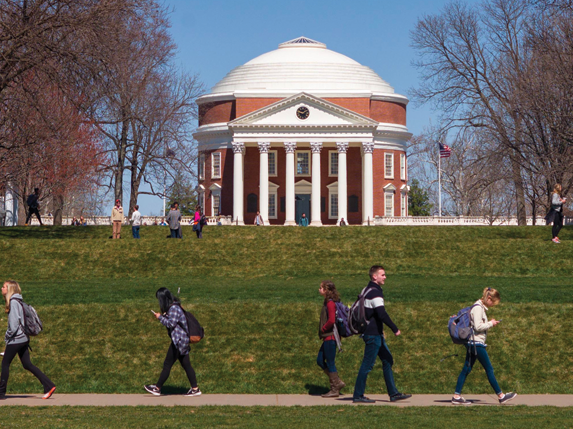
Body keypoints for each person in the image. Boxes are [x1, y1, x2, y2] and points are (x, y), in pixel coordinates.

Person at [353, 265, 411, 403]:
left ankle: (394, 394)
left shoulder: (366, 289)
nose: (385, 277)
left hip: (375, 333)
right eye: (382, 275)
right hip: (372, 335)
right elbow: (381, 313)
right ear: (375, 276)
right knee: (367, 365)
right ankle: (358, 395)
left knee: (387, 360)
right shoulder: (375, 293)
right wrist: (395, 328)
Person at [452, 288, 517, 405]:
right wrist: (490, 324)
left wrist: (490, 322)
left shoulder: (478, 307)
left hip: (472, 343)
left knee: (466, 369)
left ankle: (456, 396)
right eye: (493, 302)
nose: (493, 305)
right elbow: (477, 327)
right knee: (489, 369)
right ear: (489, 298)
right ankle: (501, 396)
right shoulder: (478, 308)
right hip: (476, 343)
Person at [0, 281, 56, 400]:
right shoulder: (19, 301)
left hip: (17, 339)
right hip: (23, 339)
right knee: (27, 364)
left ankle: (1, 393)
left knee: (5, 364)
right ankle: (49, 385)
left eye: (4, 286)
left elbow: (14, 326)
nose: (2, 288)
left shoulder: (14, 303)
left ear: (9, 289)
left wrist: (7, 338)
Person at [144, 288, 201, 397]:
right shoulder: (175, 306)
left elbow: (171, 324)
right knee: (186, 365)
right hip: (182, 341)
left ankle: (157, 388)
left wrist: (160, 317)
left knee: (167, 364)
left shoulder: (174, 308)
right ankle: (195, 389)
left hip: (178, 341)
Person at [317, 281, 346, 398]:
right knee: (320, 360)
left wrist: (324, 328)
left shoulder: (330, 304)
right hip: (327, 337)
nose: (319, 289)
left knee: (330, 362)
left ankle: (335, 388)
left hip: (331, 337)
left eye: (321, 288)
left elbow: (332, 320)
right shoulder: (327, 302)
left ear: (326, 290)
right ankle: (337, 382)